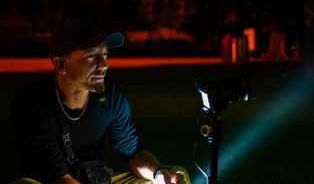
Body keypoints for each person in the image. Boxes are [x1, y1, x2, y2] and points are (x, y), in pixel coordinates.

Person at [11, 18, 190, 184]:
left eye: (105, 55)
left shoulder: (111, 96)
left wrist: (159, 173)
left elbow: (133, 152)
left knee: (176, 175)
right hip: (50, 181)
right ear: (61, 65)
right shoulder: (32, 102)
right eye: (91, 56)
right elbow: (57, 176)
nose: (104, 65)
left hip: (95, 178)